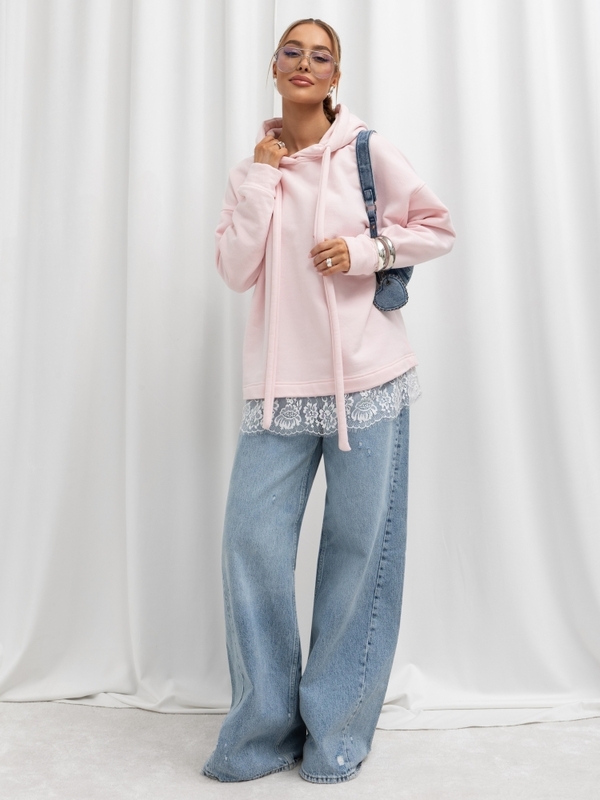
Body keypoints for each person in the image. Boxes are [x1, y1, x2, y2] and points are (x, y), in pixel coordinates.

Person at [202, 17, 455, 784]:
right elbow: (235, 269)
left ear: (336, 76)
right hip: (279, 394)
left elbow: (437, 227)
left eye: (321, 55)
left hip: (368, 383)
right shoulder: (253, 171)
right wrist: (262, 177)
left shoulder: (367, 152)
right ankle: (262, 730)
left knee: (356, 554)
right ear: (274, 66)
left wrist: (367, 251)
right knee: (250, 543)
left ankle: (337, 731)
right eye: (293, 51)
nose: (305, 63)